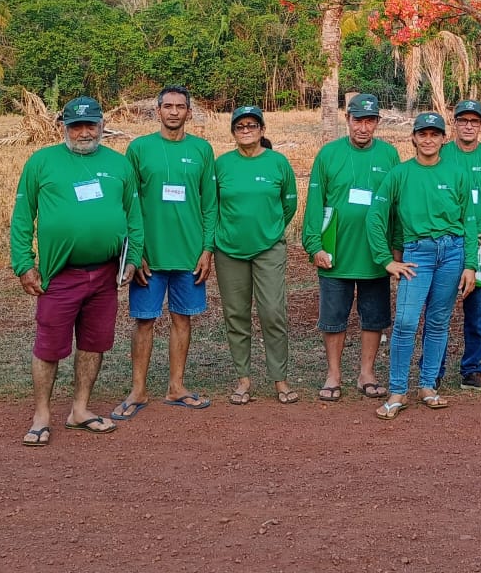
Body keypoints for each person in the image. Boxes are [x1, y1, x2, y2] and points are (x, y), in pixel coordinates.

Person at [10, 95, 142, 446]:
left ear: (102, 125)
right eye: (76, 126)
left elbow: (134, 217)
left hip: (104, 276)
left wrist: (133, 258)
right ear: (63, 127)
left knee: (93, 344)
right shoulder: (42, 163)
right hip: (59, 275)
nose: (84, 132)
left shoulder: (119, 165)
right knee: (49, 346)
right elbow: (23, 218)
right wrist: (24, 264)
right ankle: (41, 415)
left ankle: (80, 410)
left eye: (91, 125)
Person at [112, 85, 217, 420]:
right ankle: (138, 390)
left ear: (189, 112)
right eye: (168, 106)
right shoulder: (139, 149)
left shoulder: (202, 150)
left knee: (182, 319)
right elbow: (128, 203)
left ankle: (176, 387)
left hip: (189, 254)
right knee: (144, 321)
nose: (174, 112)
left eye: (180, 106)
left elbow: (210, 205)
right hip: (149, 257)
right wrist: (134, 252)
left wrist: (207, 249)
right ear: (157, 111)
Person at [367, 113, 478, 419]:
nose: (428, 140)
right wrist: (386, 260)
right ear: (413, 138)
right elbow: (375, 216)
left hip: (452, 252)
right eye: (422, 134)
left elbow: (469, 221)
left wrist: (470, 264)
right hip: (418, 253)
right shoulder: (399, 175)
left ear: (444, 138)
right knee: (404, 323)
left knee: (439, 321)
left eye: (435, 134)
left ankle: (428, 386)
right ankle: (398, 390)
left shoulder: (457, 173)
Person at [302, 93, 400, 402]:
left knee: (374, 317)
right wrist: (314, 245)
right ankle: (334, 375)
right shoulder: (328, 155)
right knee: (334, 317)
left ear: (377, 123)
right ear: (348, 120)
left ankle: (366, 374)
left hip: (375, 254)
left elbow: (396, 207)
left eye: (370, 121)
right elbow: (315, 205)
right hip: (336, 252)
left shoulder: (389, 156)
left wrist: (396, 248)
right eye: (358, 120)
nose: (363, 127)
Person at [212, 106, 300, 406]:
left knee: (272, 312)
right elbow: (212, 206)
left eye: (252, 125)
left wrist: (270, 230)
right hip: (229, 250)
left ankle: (280, 379)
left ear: (262, 130)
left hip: (268, 249)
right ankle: (243, 379)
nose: (246, 130)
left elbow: (289, 204)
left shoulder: (278, 163)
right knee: (236, 314)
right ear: (233, 132)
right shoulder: (222, 165)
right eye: (240, 126)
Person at [439, 99, 481, 391]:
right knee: (439, 309)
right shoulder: (441, 154)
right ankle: (434, 370)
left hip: (480, 246)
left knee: (476, 310)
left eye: (474, 121)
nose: (468, 126)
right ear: (454, 123)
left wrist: (479, 234)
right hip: (449, 244)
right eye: (463, 120)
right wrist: (459, 234)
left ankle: (472, 370)